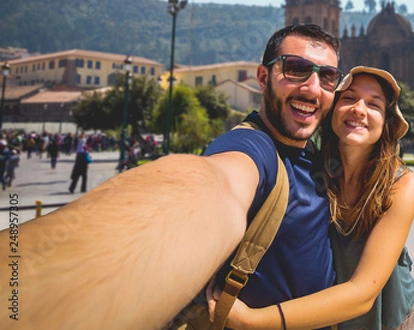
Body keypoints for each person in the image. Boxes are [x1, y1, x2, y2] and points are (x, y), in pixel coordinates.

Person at [0, 24, 342, 330]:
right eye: (296, 70)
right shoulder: (252, 148)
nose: (312, 89)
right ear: (263, 78)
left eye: (327, 76)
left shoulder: (314, 155)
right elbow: (214, 185)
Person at [210, 67, 414, 330]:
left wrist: (250, 320)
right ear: (332, 110)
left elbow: (362, 294)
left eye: (374, 104)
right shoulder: (316, 170)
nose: (359, 109)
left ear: (386, 122)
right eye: (348, 98)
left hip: (388, 322)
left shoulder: (400, 184)